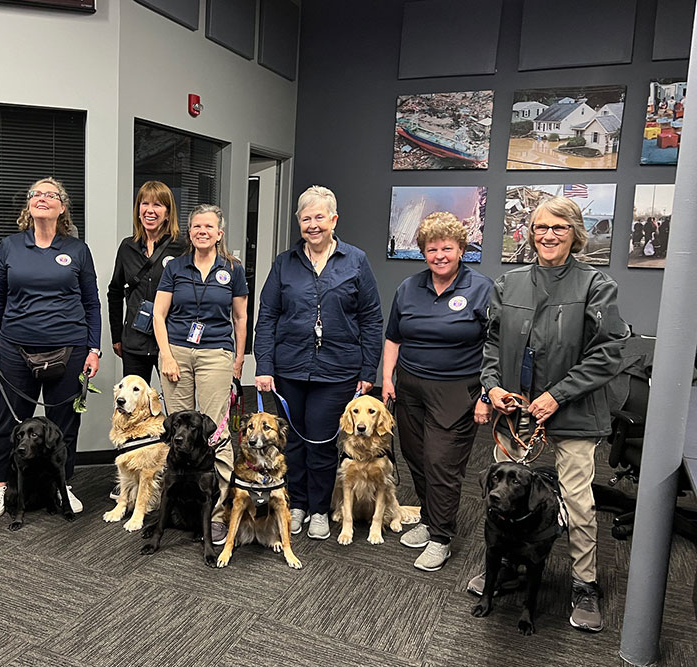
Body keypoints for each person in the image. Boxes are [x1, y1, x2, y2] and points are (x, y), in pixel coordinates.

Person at [472, 196, 630, 633]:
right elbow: (490, 345)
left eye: (558, 228)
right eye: (540, 227)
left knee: (577, 504)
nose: (547, 235)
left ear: (575, 234)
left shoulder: (596, 286)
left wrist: (557, 396)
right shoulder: (509, 283)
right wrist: (493, 387)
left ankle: (584, 584)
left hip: (574, 413)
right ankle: (502, 567)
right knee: (502, 497)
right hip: (515, 411)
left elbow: (607, 354)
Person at [254, 185, 382, 541]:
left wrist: (367, 370)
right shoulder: (284, 263)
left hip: (337, 369)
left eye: (319, 217)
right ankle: (296, 506)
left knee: (322, 442)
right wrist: (264, 365)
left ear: (333, 220)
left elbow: (372, 318)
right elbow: (267, 316)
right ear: (299, 222)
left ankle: (319, 509)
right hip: (289, 368)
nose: (313, 225)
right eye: (306, 218)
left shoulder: (355, 261)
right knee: (292, 441)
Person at [0, 178, 101, 519]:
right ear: (28, 206)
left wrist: (94, 349)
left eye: (51, 195)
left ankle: (65, 485)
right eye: (36, 194)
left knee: (64, 424)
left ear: (62, 207)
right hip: (15, 348)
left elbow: (92, 303)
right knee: (9, 422)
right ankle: (2, 485)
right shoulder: (10, 246)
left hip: (70, 348)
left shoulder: (77, 250)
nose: (42, 199)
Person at [381, 212, 492, 571]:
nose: (440, 255)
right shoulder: (408, 289)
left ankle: (442, 537)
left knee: (442, 462)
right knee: (417, 458)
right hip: (409, 387)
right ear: (423, 252)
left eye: (447, 248)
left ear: (462, 248)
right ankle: (430, 520)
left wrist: (488, 392)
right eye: (432, 249)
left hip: (457, 390)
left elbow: (497, 344)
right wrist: (387, 379)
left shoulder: (481, 288)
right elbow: (393, 336)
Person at [153, 204, 248, 546]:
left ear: (220, 233)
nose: (202, 231)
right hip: (176, 352)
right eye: (196, 226)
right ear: (189, 231)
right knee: (177, 431)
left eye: (209, 226)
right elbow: (159, 315)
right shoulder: (174, 268)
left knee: (213, 433)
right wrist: (165, 354)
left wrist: (237, 360)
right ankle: (175, 507)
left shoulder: (232, 269)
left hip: (216, 354)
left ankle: (217, 513)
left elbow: (240, 317)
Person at [108, 181, 187, 384]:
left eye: (157, 205)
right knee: (134, 408)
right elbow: (115, 292)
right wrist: (117, 336)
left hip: (171, 342)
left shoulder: (183, 248)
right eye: (145, 204)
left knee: (175, 409)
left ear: (168, 213)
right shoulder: (128, 247)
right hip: (134, 341)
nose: (149, 211)